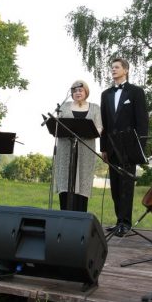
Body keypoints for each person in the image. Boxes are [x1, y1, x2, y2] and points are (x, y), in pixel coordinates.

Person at [100, 58, 148, 237]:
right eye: (112, 67)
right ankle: (118, 220)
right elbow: (104, 123)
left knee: (126, 186)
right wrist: (103, 147)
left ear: (126, 70)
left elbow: (142, 122)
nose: (113, 70)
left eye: (117, 67)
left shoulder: (136, 92)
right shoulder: (105, 94)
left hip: (129, 146)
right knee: (115, 186)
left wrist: (140, 148)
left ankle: (125, 223)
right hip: (111, 146)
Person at [54, 80, 102, 212]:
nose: (77, 93)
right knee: (65, 180)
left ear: (86, 91)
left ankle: (80, 217)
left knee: (82, 182)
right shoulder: (64, 106)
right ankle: (64, 215)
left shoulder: (95, 108)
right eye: (74, 91)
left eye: (80, 90)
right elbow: (57, 125)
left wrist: (89, 132)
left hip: (86, 149)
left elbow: (99, 127)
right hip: (65, 149)